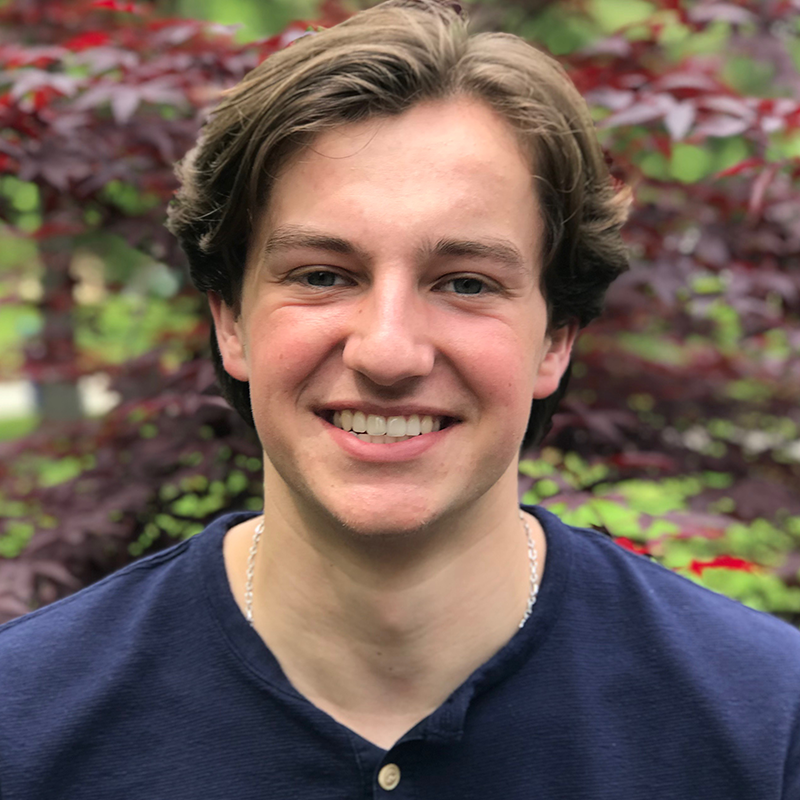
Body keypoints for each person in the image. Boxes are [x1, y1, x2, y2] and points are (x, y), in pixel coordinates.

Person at [1, 1, 798, 797]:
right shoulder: (23, 725)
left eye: (465, 283)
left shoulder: (767, 724)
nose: (387, 352)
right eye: (323, 275)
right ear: (231, 322)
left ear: (556, 338)